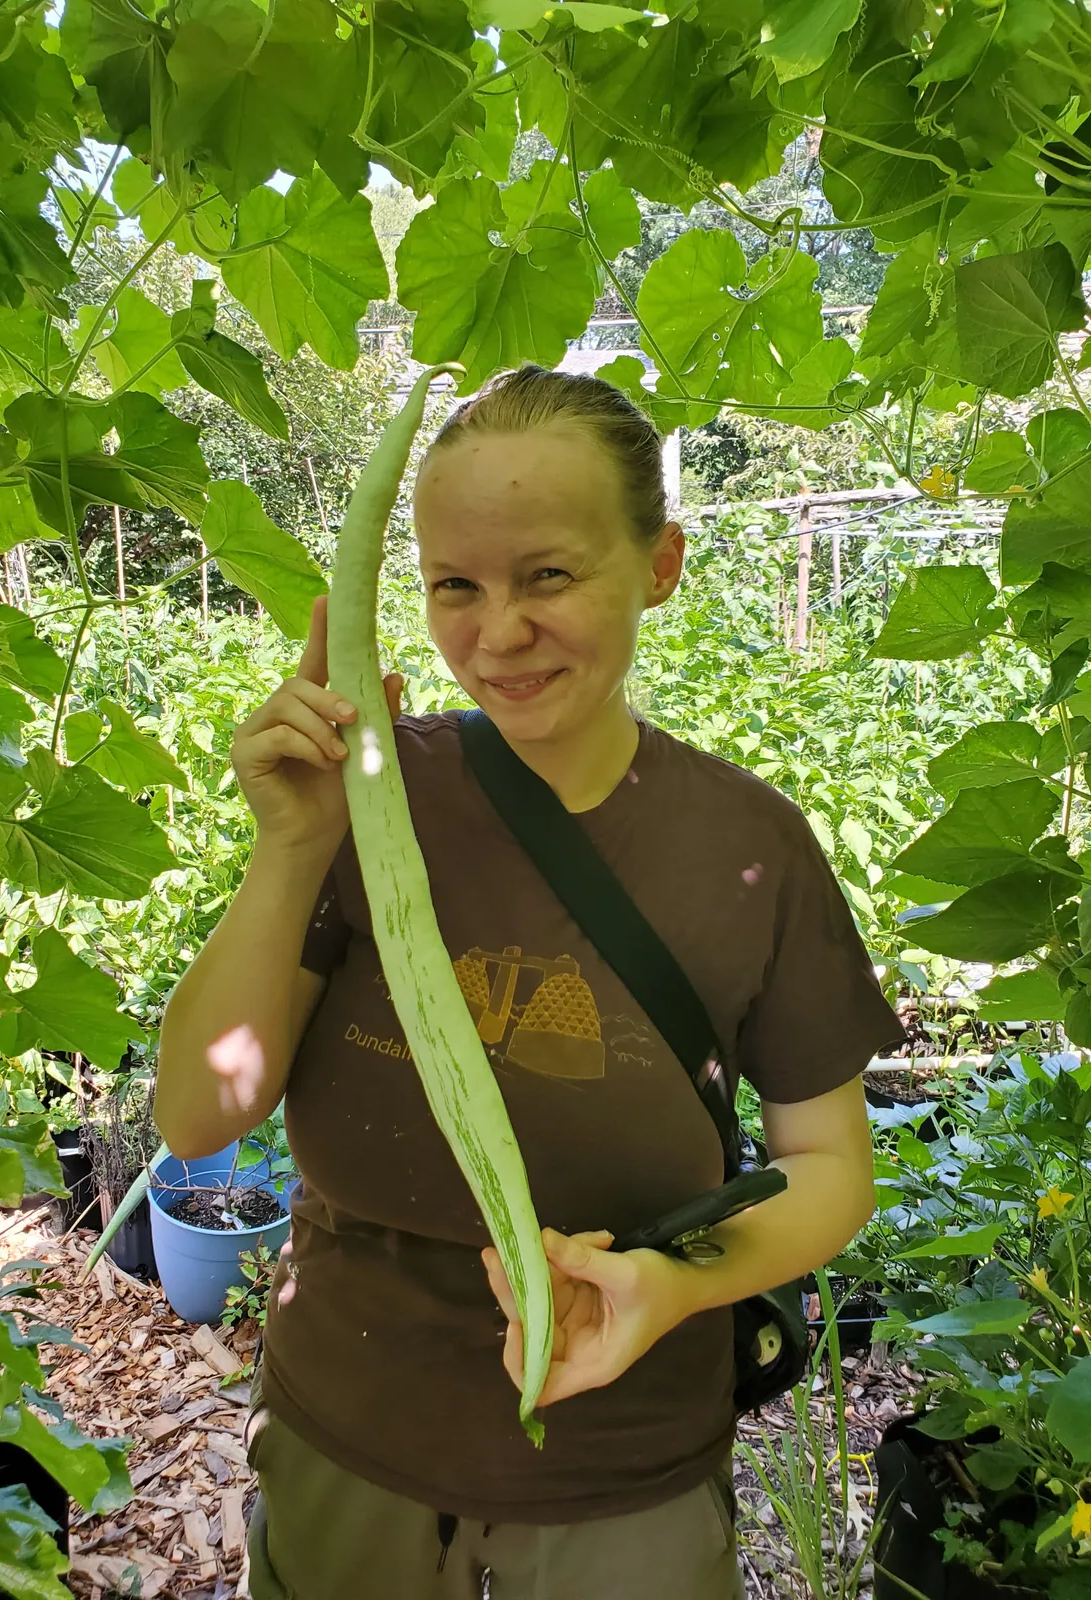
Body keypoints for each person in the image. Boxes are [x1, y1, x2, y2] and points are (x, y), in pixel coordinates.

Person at [154, 365, 909, 1600]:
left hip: (629, 1471)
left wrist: (672, 1288)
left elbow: (830, 1171)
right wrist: (289, 845)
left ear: (659, 564)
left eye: (548, 574)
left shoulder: (751, 851)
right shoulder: (365, 802)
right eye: (456, 585)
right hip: (351, 1439)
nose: (495, 635)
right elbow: (199, 1114)